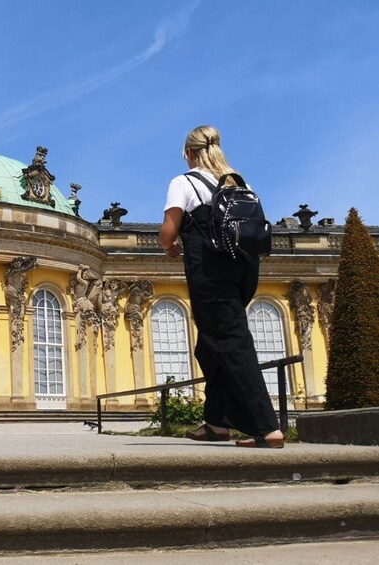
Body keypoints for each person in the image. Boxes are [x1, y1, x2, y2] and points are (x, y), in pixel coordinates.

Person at [158, 125, 284, 449]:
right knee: (208, 347)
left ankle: (267, 428)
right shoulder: (238, 182)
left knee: (231, 341)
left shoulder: (183, 182)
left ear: (189, 153)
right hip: (243, 271)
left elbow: (167, 233)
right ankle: (216, 422)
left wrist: (170, 245)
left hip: (209, 272)